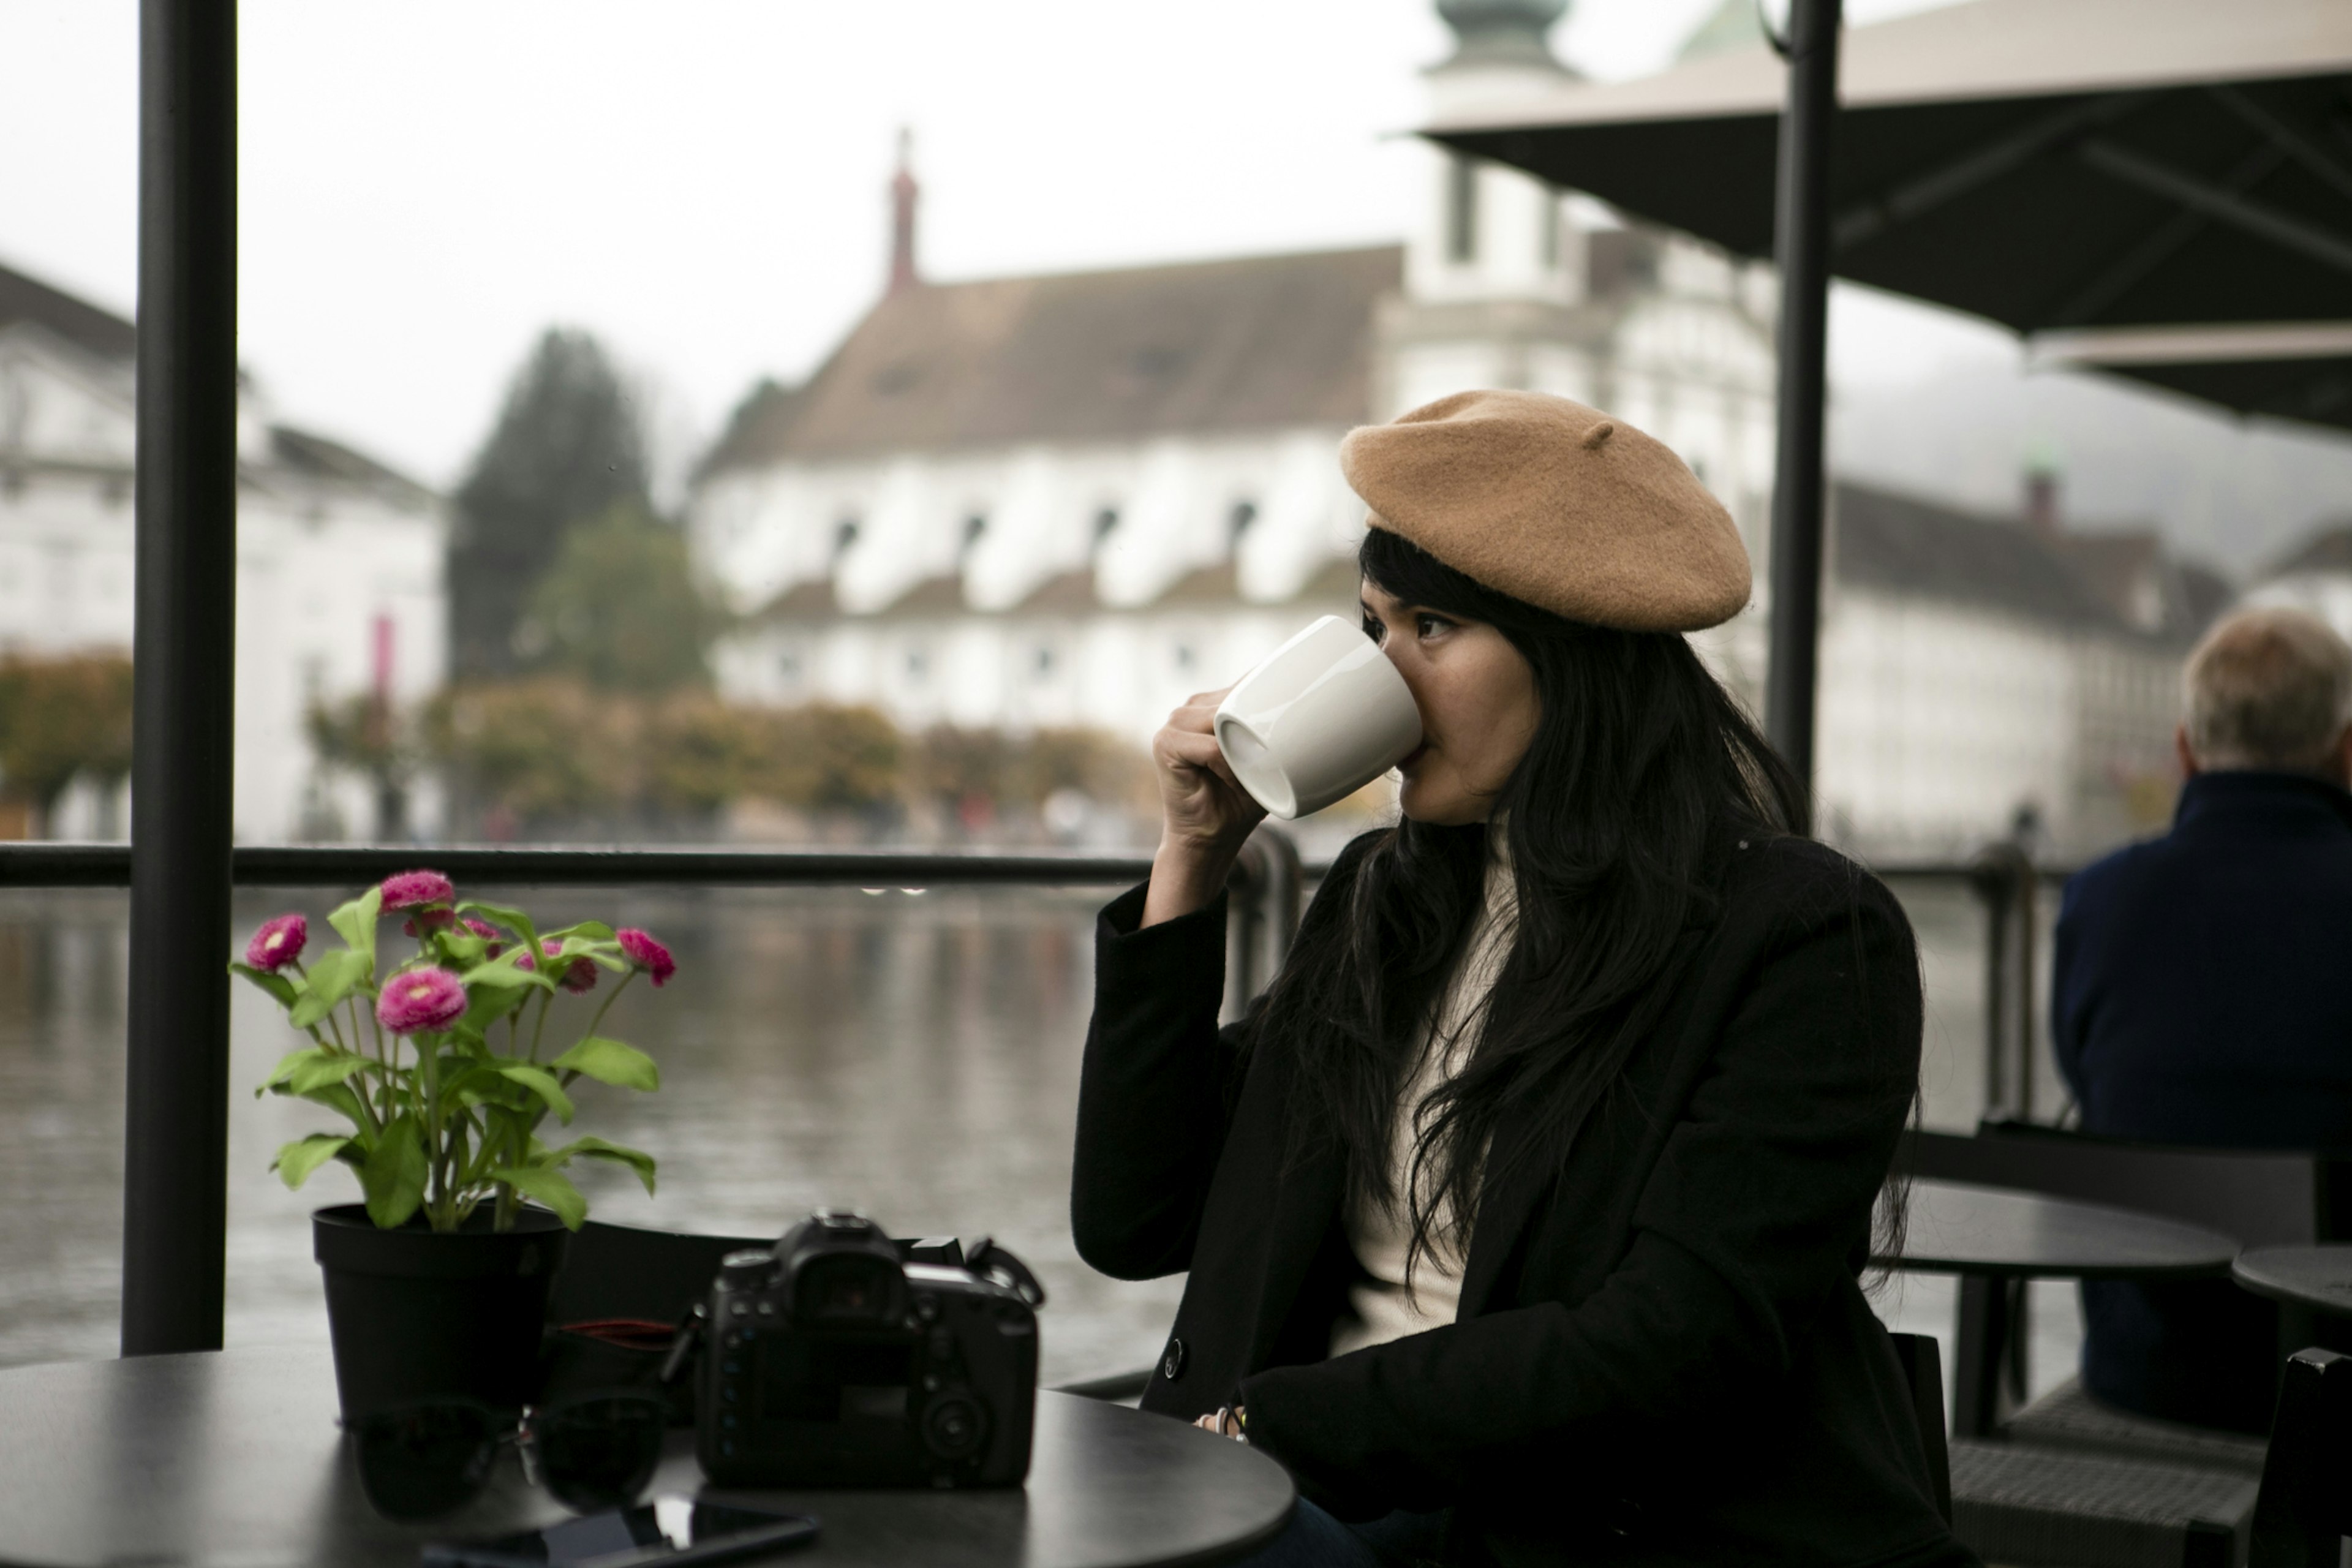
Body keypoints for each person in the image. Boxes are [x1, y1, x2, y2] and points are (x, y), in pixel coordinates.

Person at [1071, 391, 1970, 1567]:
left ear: (1577, 658)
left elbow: (1673, 1345)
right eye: (1369, 627)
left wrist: (1267, 1425)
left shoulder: (1796, 935)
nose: (1383, 677)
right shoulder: (1384, 901)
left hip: (1573, 1520)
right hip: (1310, 1493)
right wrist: (1192, 861)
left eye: (1430, 628)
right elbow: (1137, 1221)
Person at [2052, 605, 2352, 1432]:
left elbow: (2091, 1081)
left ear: (2185, 752)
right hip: (2338, 1391)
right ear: (2348, 750)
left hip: (2144, 1379)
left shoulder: (2098, 901)